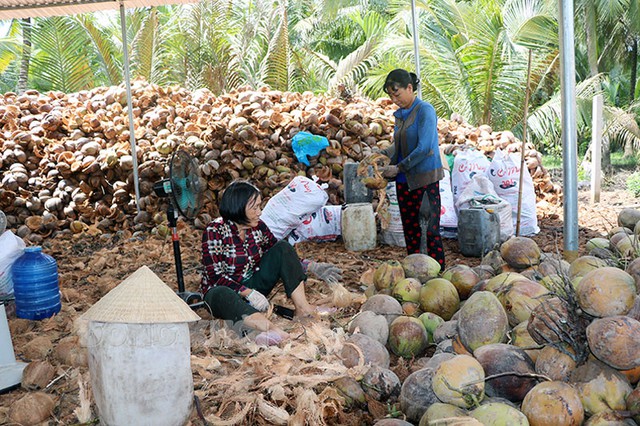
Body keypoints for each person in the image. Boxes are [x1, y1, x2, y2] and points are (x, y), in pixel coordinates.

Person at [200, 180, 342, 344]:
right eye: (254, 208)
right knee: (220, 292)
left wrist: (311, 266)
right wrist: (248, 293)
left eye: (260, 206)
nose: (260, 212)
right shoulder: (215, 231)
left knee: (283, 247)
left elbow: (278, 252)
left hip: (254, 285)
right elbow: (216, 276)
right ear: (238, 208)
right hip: (226, 291)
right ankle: (271, 330)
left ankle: (303, 309)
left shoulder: (258, 227)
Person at [379, 69, 446, 269]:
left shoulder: (425, 110)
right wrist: (382, 154)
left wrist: (398, 168)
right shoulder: (400, 116)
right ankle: (415, 272)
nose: (394, 99)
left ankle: (437, 274)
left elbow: (424, 148)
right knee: (411, 230)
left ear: (410, 88)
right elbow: (398, 146)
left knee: (428, 230)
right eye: (391, 95)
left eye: (397, 94)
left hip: (424, 180)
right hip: (404, 182)